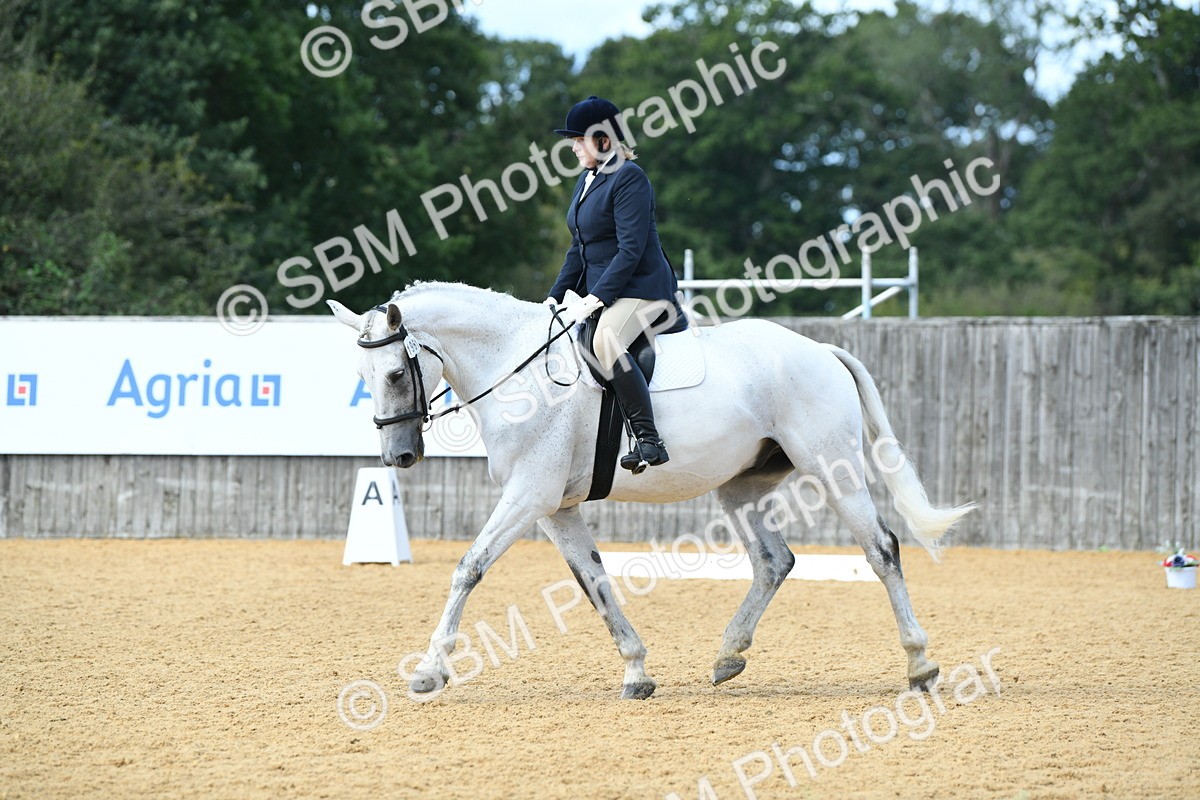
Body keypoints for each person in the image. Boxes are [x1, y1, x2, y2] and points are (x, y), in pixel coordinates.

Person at [545, 96, 687, 474]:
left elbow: (630, 249)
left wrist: (595, 298)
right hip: (609, 290)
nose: (573, 147)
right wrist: (554, 296)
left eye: (580, 140)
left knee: (605, 341)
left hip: (643, 289)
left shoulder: (629, 178)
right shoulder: (588, 180)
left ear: (604, 141)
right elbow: (580, 247)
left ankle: (648, 439)